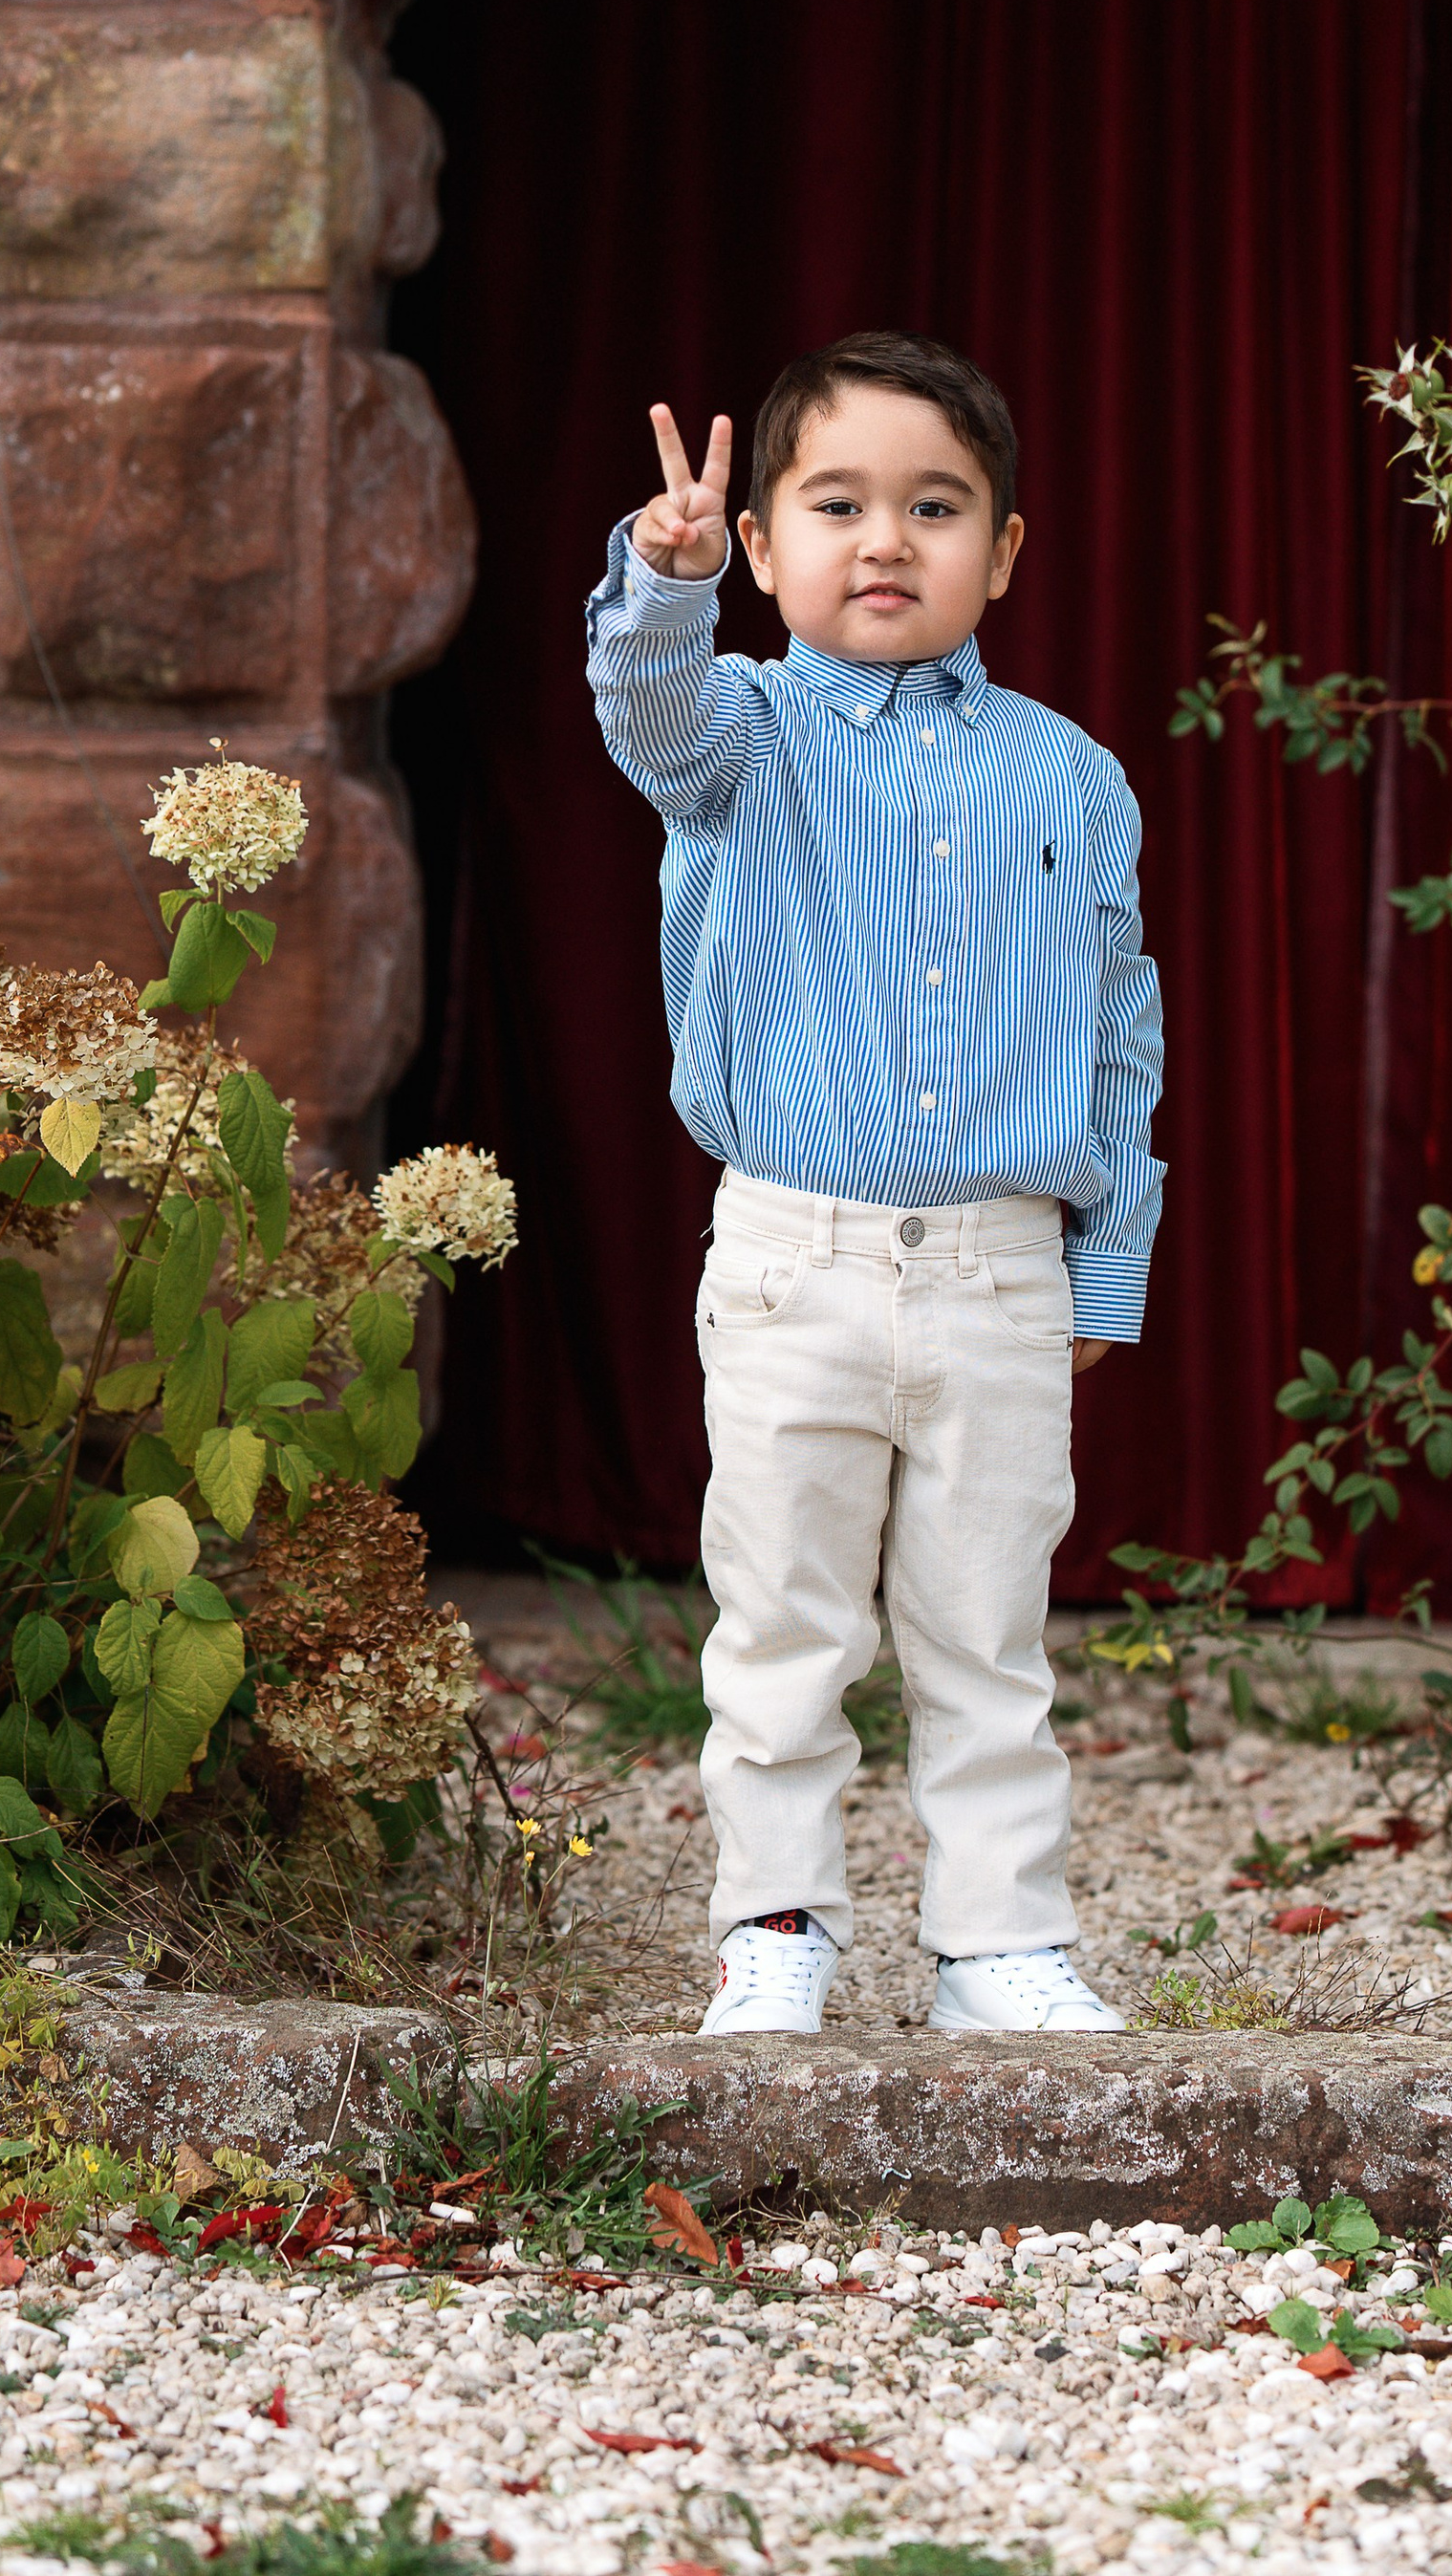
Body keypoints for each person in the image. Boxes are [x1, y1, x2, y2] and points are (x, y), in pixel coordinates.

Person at [584, 329, 1164, 2034]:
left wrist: (1107, 1264)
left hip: (1001, 1269)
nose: (887, 541)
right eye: (836, 505)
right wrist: (665, 583)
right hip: (794, 1263)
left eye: (936, 505)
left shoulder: (1070, 776)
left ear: (1006, 549)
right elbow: (645, 708)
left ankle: (999, 1945)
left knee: (988, 1633)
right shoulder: (736, 734)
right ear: (765, 548)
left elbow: (1120, 1027)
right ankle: (773, 1927)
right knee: (784, 1624)